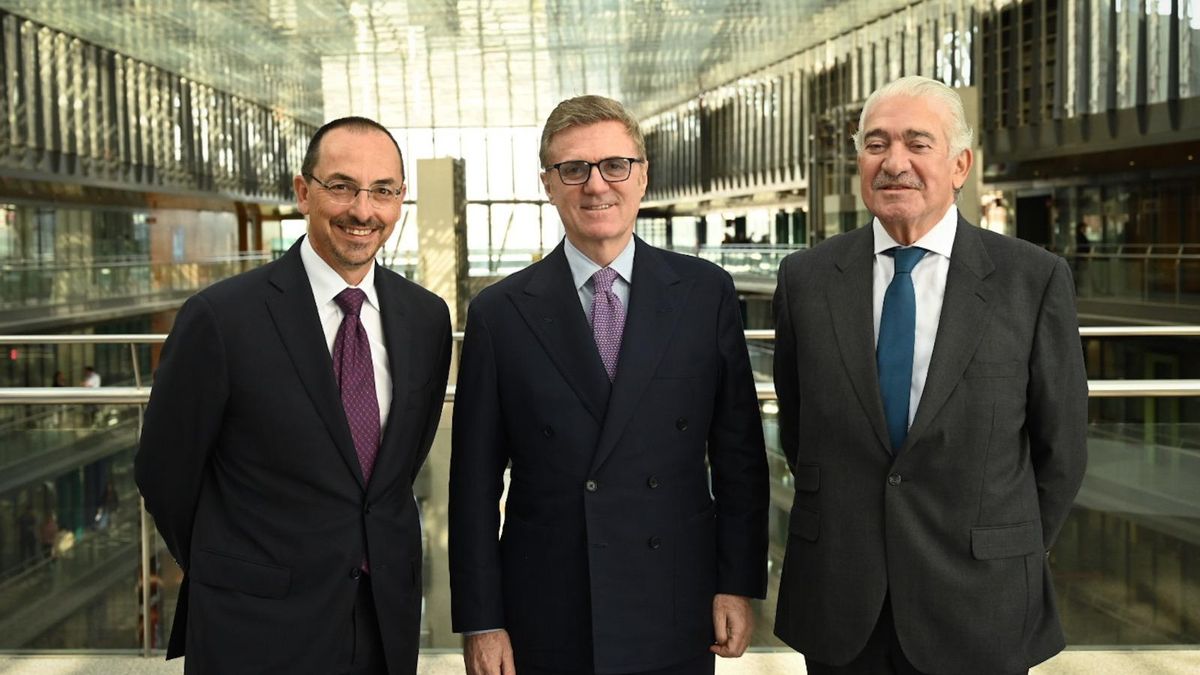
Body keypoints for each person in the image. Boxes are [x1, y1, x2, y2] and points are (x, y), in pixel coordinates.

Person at [772, 75, 1088, 674]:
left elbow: (1062, 449)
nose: (895, 163)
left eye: (918, 143)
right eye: (876, 143)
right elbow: (799, 429)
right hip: (843, 603)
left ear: (960, 164)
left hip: (982, 602)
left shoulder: (1032, 280)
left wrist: (1002, 547)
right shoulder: (805, 280)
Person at [449, 95, 769, 675]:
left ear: (642, 175)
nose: (596, 185)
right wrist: (482, 619)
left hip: (674, 594)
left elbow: (739, 456)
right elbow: (473, 483)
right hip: (546, 603)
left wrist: (736, 583)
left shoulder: (704, 292)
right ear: (548, 184)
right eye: (574, 169)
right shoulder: (499, 313)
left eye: (614, 165)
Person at [135, 116, 452, 675]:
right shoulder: (221, 319)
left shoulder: (426, 319)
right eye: (341, 186)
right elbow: (164, 472)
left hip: (384, 625)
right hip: (253, 628)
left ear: (401, 199)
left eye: (383, 190)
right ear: (303, 192)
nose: (363, 210)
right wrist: (232, 566)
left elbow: (393, 475)